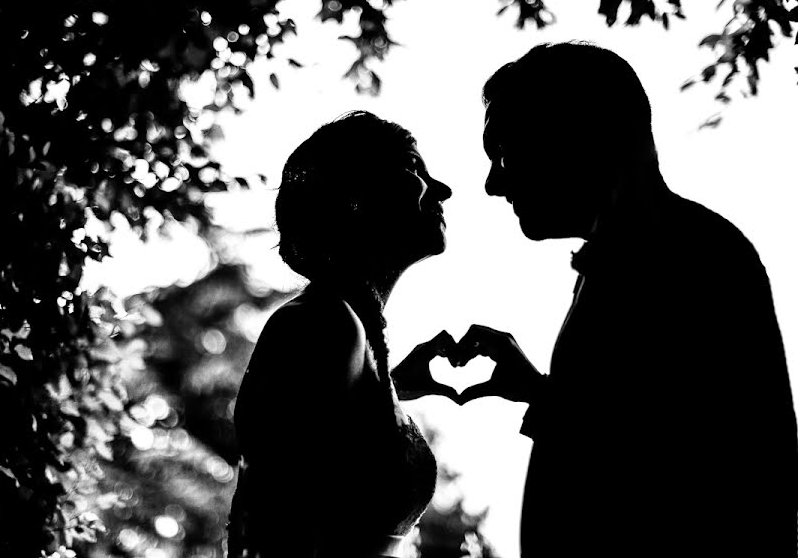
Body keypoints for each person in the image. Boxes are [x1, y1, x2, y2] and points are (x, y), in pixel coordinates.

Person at [453, 42, 798, 557]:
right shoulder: (626, 261)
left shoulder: (694, 259)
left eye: (505, 154)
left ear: (574, 138)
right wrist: (540, 393)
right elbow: (636, 431)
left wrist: (551, 402)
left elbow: (715, 478)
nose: (492, 183)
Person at [226, 111, 458, 558]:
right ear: (356, 195)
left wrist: (389, 388)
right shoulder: (320, 323)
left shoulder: (341, 325)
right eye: (413, 166)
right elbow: (284, 525)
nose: (442, 189)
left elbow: (337, 448)